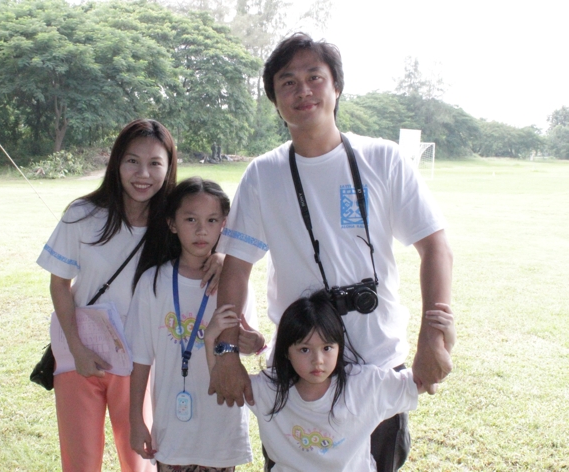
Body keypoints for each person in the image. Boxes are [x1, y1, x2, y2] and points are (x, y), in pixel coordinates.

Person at [210, 32, 454, 471]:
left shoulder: (383, 159)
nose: (302, 90)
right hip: (296, 374)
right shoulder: (263, 175)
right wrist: (225, 352)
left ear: (336, 87)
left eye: (314, 77)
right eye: (287, 82)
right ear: (276, 101)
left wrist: (434, 336)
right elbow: (236, 267)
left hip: (378, 364)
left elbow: (435, 246)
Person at [37, 119, 222, 471]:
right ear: (117, 162)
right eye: (133, 161)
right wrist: (77, 349)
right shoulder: (82, 215)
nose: (143, 174)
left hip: (139, 362)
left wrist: (222, 256)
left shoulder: (173, 224)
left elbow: (209, 236)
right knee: (79, 462)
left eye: (155, 163)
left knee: (140, 461)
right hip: (81, 355)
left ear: (169, 167)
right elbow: (59, 284)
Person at [205, 291, 456, 471]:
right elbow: (223, 384)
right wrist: (210, 339)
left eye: (327, 348)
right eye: (304, 349)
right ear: (286, 352)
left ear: (339, 347)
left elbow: (425, 382)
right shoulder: (270, 390)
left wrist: (446, 343)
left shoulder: (365, 385)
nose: (318, 361)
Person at [126, 177, 256, 471]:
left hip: (222, 429)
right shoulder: (153, 282)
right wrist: (136, 419)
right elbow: (141, 358)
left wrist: (253, 342)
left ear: (224, 224)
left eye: (212, 220)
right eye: (190, 219)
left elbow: (250, 342)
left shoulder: (233, 283)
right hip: (173, 432)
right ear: (172, 224)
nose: (201, 230)